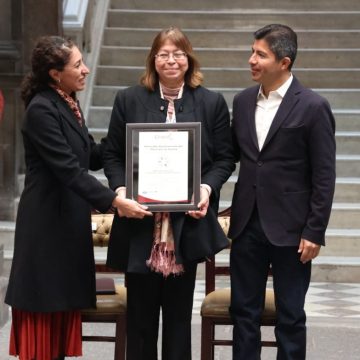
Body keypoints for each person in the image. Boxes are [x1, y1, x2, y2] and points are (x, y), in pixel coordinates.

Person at [5, 36, 150, 360]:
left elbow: (91, 155)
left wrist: (138, 141)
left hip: (66, 224)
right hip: (46, 228)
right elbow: (70, 171)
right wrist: (115, 201)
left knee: (60, 311)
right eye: (77, 65)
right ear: (56, 73)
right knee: (43, 314)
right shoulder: (42, 109)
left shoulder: (67, 102)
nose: (85, 69)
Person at [103, 26, 235, 360]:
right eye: (163, 54)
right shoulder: (128, 99)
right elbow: (112, 155)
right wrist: (121, 190)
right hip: (139, 226)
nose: (171, 60)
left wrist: (205, 189)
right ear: (153, 60)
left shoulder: (211, 102)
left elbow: (224, 159)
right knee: (141, 321)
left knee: (178, 321)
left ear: (189, 59)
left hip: (186, 228)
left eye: (178, 53)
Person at [229, 24, 336, 360]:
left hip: (292, 229)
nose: (252, 60)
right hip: (247, 224)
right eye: (252, 52)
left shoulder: (313, 106)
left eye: (260, 54)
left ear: (284, 62)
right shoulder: (243, 101)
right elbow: (234, 157)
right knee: (243, 314)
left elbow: (324, 174)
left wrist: (314, 230)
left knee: (290, 318)